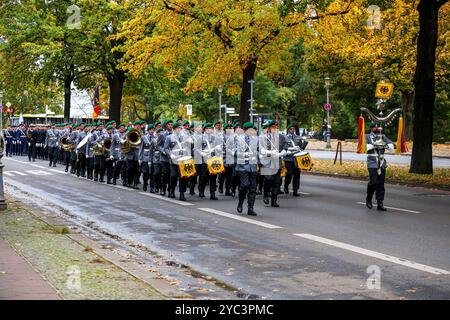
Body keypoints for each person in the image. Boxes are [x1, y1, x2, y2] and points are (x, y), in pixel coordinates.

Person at [365, 123, 395, 211]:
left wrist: (385, 145)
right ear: (371, 128)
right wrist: (375, 145)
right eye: (374, 126)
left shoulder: (383, 136)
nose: (376, 128)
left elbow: (393, 146)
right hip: (372, 163)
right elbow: (362, 147)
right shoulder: (367, 136)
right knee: (374, 182)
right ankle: (369, 198)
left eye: (377, 126)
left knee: (381, 184)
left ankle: (380, 203)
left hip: (381, 163)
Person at [259, 120, 287, 208]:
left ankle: (274, 200)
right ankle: (266, 195)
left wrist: (281, 153)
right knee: (268, 179)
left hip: (277, 163)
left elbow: (286, 147)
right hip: (266, 162)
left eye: (275, 127)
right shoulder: (263, 137)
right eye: (272, 127)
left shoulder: (281, 137)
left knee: (276, 182)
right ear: (269, 128)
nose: (274, 128)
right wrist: (270, 153)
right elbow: (261, 150)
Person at [235, 122, 258, 216]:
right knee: (244, 185)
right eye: (250, 129)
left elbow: (260, 150)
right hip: (242, 167)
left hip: (253, 167)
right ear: (245, 130)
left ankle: (250, 208)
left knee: (253, 188)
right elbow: (234, 151)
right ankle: (240, 202)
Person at [283, 124, 308, 196]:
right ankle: (286, 185)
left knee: (297, 174)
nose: (292, 130)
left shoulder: (297, 138)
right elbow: (283, 147)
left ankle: (295, 190)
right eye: (291, 129)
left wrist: (305, 142)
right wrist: (289, 150)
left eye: (293, 129)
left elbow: (301, 148)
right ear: (288, 130)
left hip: (297, 159)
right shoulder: (284, 138)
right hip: (288, 159)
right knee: (289, 173)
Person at [139, 124, 155, 192]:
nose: (152, 131)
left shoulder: (156, 137)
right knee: (145, 173)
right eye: (151, 129)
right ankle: (145, 183)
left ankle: (152, 187)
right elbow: (141, 148)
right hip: (145, 157)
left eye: (153, 130)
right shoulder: (144, 137)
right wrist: (140, 158)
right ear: (148, 130)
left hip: (153, 157)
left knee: (152, 173)